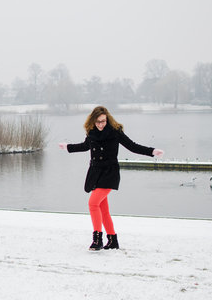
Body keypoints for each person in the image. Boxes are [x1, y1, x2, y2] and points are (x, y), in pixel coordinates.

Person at [58, 106, 164, 251]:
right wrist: (68, 147)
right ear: (93, 121)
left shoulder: (115, 132)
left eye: (103, 121)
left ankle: (97, 240)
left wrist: (152, 151)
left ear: (107, 119)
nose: (101, 124)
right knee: (103, 210)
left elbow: (132, 146)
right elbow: (85, 146)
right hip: (95, 173)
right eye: (98, 122)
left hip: (109, 173)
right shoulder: (91, 133)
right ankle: (113, 240)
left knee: (93, 203)